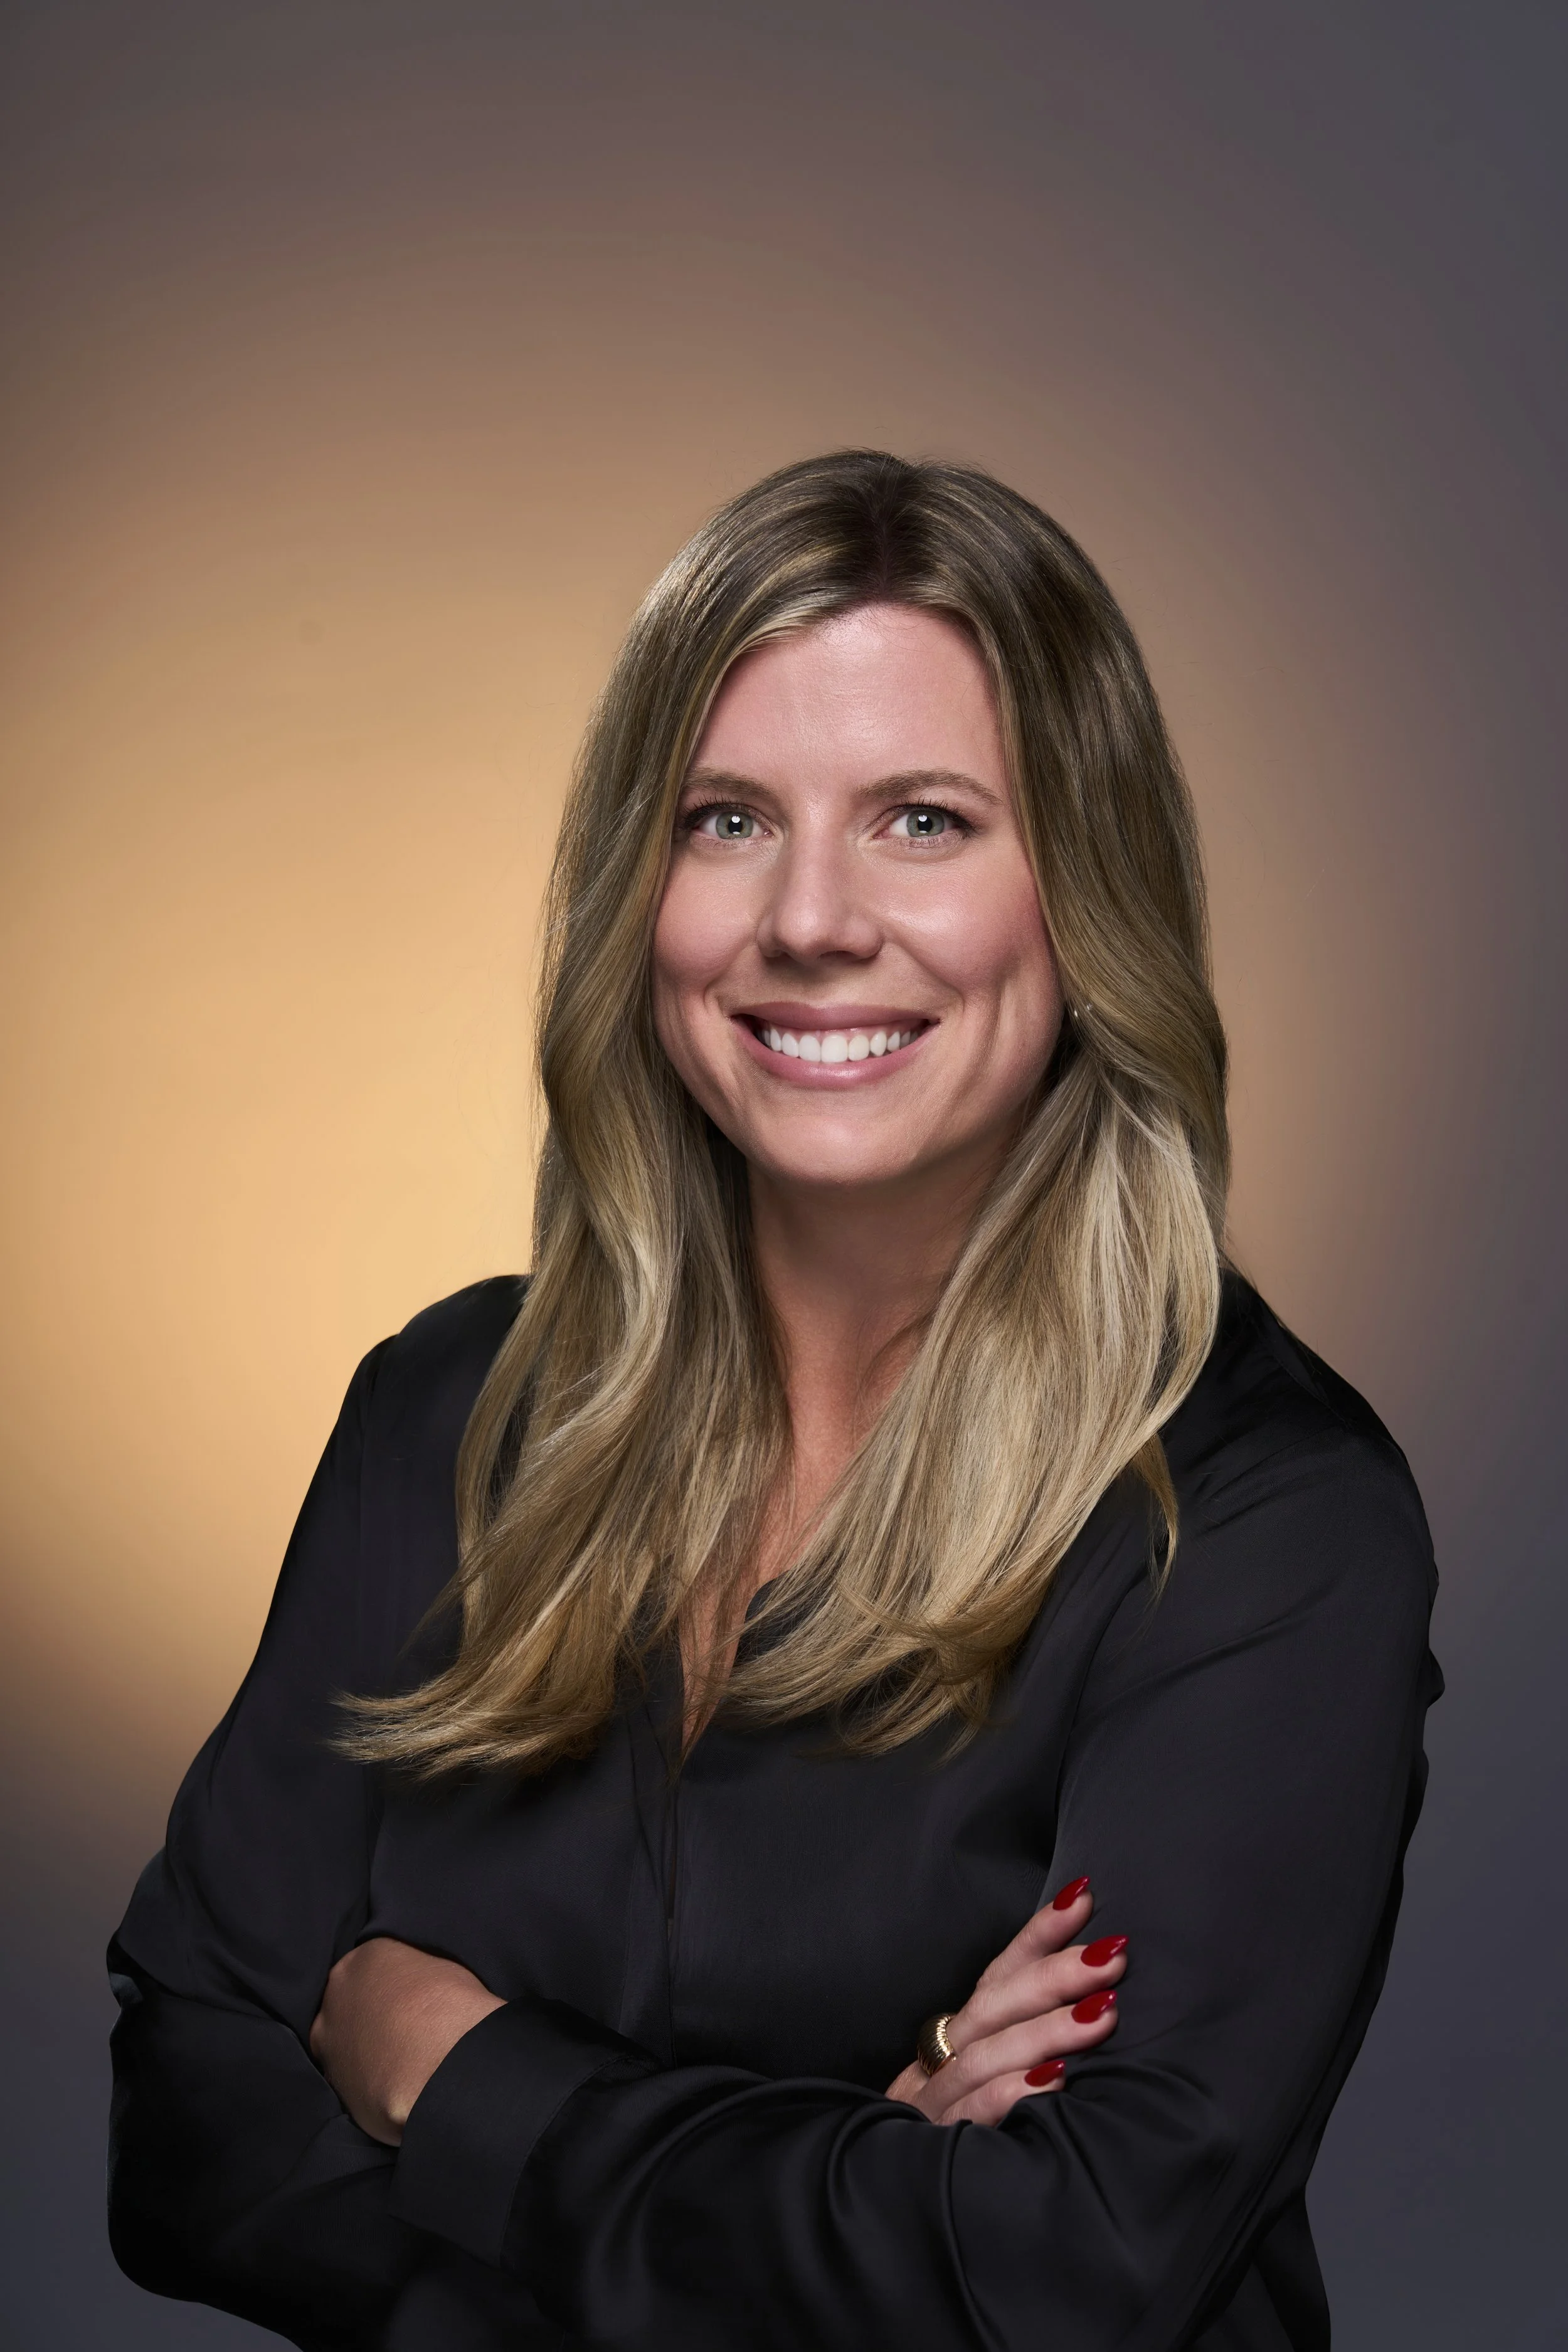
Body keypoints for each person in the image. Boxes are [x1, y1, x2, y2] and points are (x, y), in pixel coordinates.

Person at [107, 451, 1440, 2352]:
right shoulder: (445, 1415)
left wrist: (458, 2071)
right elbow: (182, 2131)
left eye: (921, 819)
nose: (809, 918)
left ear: (1087, 889)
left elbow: (1061, 2274)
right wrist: (843, 2176)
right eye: (725, 817)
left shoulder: (1254, 1520)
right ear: (630, 891)